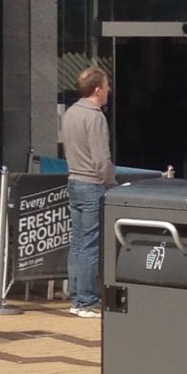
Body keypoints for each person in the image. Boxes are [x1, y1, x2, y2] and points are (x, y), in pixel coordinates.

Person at [62, 67, 116, 318]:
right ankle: (86, 300)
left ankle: (76, 297)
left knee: (78, 242)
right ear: (97, 90)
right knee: (91, 244)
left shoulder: (71, 112)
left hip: (74, 181)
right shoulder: (95, 116)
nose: (109, 91)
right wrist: (110, 182)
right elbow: (101, 159)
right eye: (106, 86)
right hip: (92, 184)